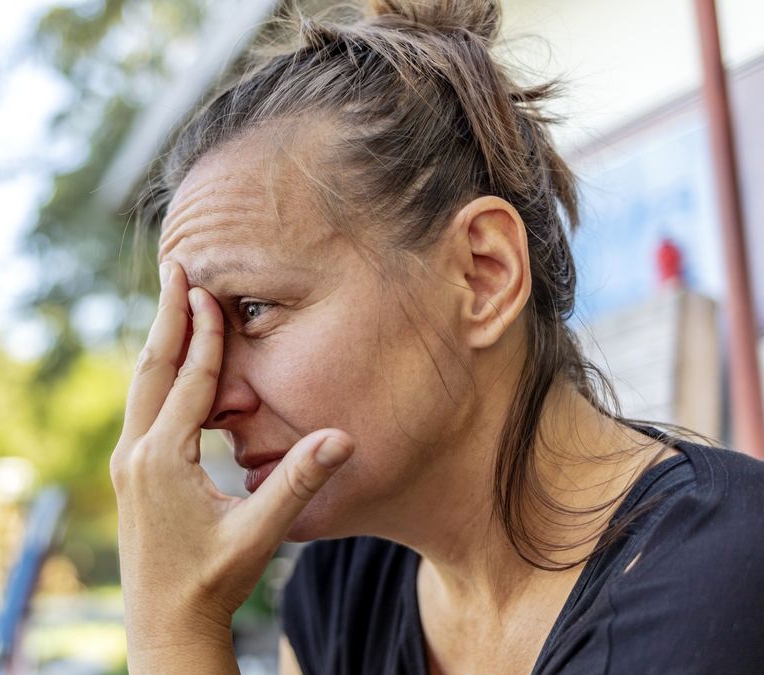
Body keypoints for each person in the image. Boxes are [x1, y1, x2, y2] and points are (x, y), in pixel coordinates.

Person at [109, 1, 764, 673]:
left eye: (251, 309)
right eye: (195, 337)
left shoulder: (725, 581)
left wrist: (172, 627)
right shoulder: (335, 597)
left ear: (482, 275)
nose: (211, 398)